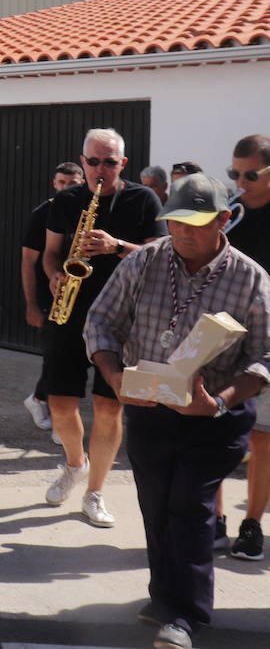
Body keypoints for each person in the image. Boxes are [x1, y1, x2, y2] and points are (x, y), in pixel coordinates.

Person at [86, 172, 270, 649]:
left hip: (215, 418)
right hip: (149, 409)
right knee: (156, 505)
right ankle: (164, 595)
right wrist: (114, 378)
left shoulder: (250, 278)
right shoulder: (144, 262)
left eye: (195, 224)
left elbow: (266, 356)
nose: (182, 233)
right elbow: (101, 322)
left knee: (189, 506)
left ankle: (186, 616)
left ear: (224, 219)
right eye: (175, 224)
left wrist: (221, 402)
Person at [42, 128, 161, 527]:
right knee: (60, 404)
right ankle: (75, 463)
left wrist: (116, 246)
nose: (99, 169)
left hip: (121, 319)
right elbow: (50, 255)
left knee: (110, 407)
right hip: (70, 311)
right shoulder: (67, 199)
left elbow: (159, 256)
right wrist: (56, 276)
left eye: (109, 162)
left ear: (122, 164)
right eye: (92, 161)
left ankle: (95, 492)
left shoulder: (143, 199)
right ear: (83, 160)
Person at [222, 134, 270, 561]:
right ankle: (214, 519)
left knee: (262, 439)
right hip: (223, 336)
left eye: (250, 174)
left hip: (267, 341)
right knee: (213, 429)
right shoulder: (230, 214)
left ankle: (252, 523)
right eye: (234, 173)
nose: (240, 181)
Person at [20, 162, 85, 437]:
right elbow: (27, 262)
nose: (65, 188)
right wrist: (32, 304)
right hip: (52, 296)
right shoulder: (43, 213)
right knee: (57, 356)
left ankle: (38, 399)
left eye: (71, 183)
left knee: (74, 357)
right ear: (53, 184)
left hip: (83, 296)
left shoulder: (86, 209)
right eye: (61, 182)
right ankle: (54, 415)